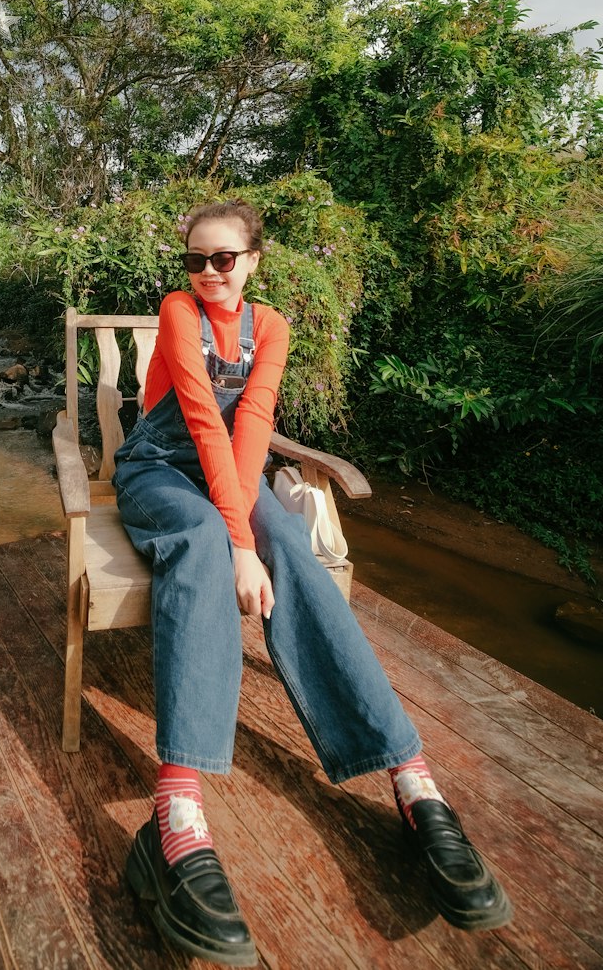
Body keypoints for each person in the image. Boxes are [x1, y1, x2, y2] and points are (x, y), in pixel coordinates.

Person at [112, 199, 512, 966]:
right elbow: (198, 419)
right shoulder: (175, 311)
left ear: (253, 261)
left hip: (233, 468)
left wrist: (256, 539)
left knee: (289, 548)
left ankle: (412, 779)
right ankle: (176, 812)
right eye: (195, 260)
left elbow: (250, 427)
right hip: (160, 470)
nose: (207, 274)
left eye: (223, 259)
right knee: (199, 541)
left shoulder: (272, 328)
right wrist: (235, 543)